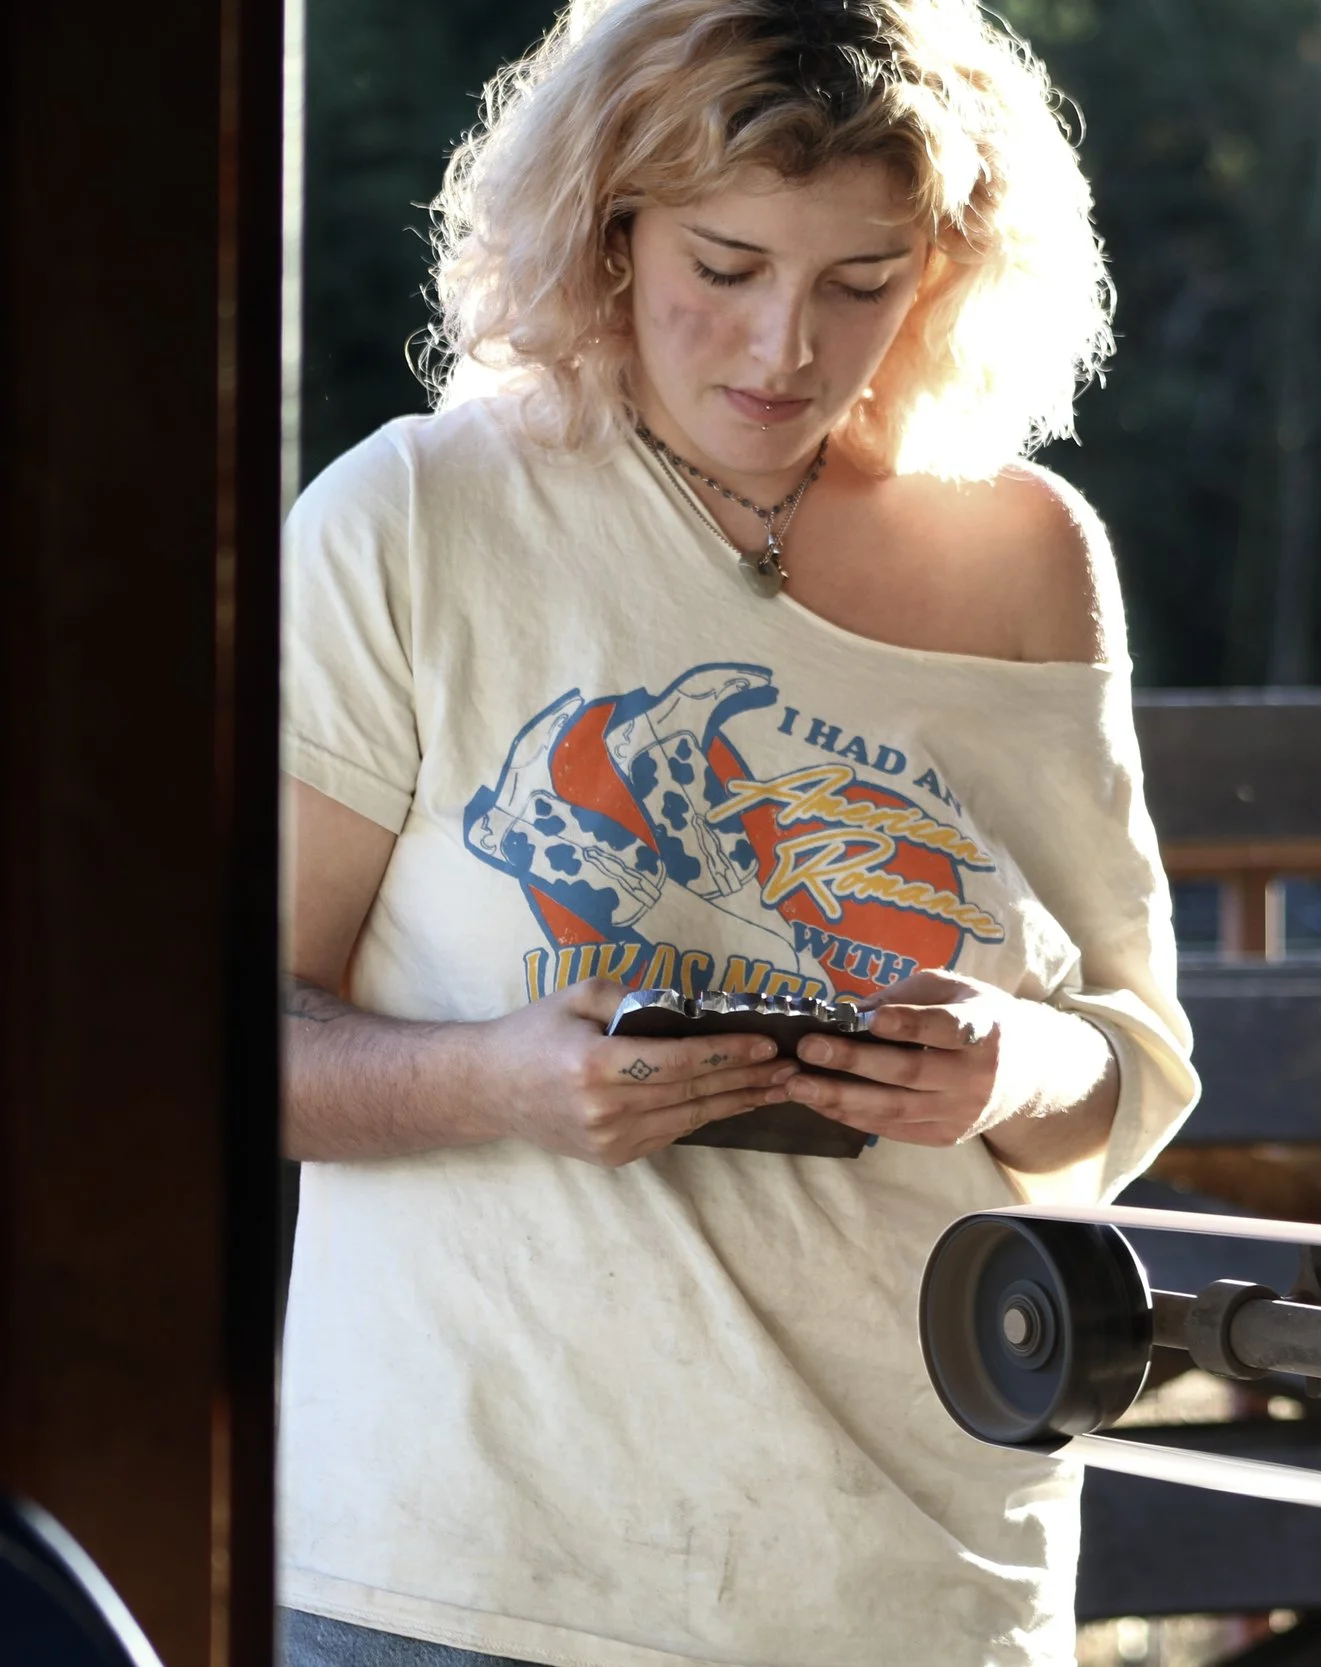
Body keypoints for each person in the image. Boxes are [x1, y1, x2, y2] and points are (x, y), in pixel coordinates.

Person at [276, 0, 1197, 1661]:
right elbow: (210, 1052)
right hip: (455, 1576)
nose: (785, 348)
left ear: (951, 266)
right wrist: (495, 1076)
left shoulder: (1030, 553)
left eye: (862, 282)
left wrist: (1015, 1065)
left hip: (915, 1583)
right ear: (607, 232)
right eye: (725, 265)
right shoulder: (411, 518)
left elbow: (1131, 1062)